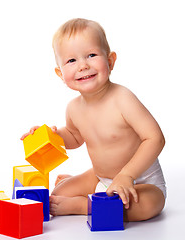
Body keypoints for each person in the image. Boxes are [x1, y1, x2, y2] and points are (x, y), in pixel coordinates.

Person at [21, 18, 166, 221]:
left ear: (110, 61)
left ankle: (85, 205)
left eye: (91, 55)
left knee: (146, 206)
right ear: (60, 74)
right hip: (101, 177)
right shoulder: (74, 108)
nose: (83, 65)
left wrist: (127, 175)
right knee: (57, 194)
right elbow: (74, 137)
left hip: (141, 181)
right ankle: (96, 192)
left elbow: (155, 138)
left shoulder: (123, 99)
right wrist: (52, 136)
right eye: (71, 61)